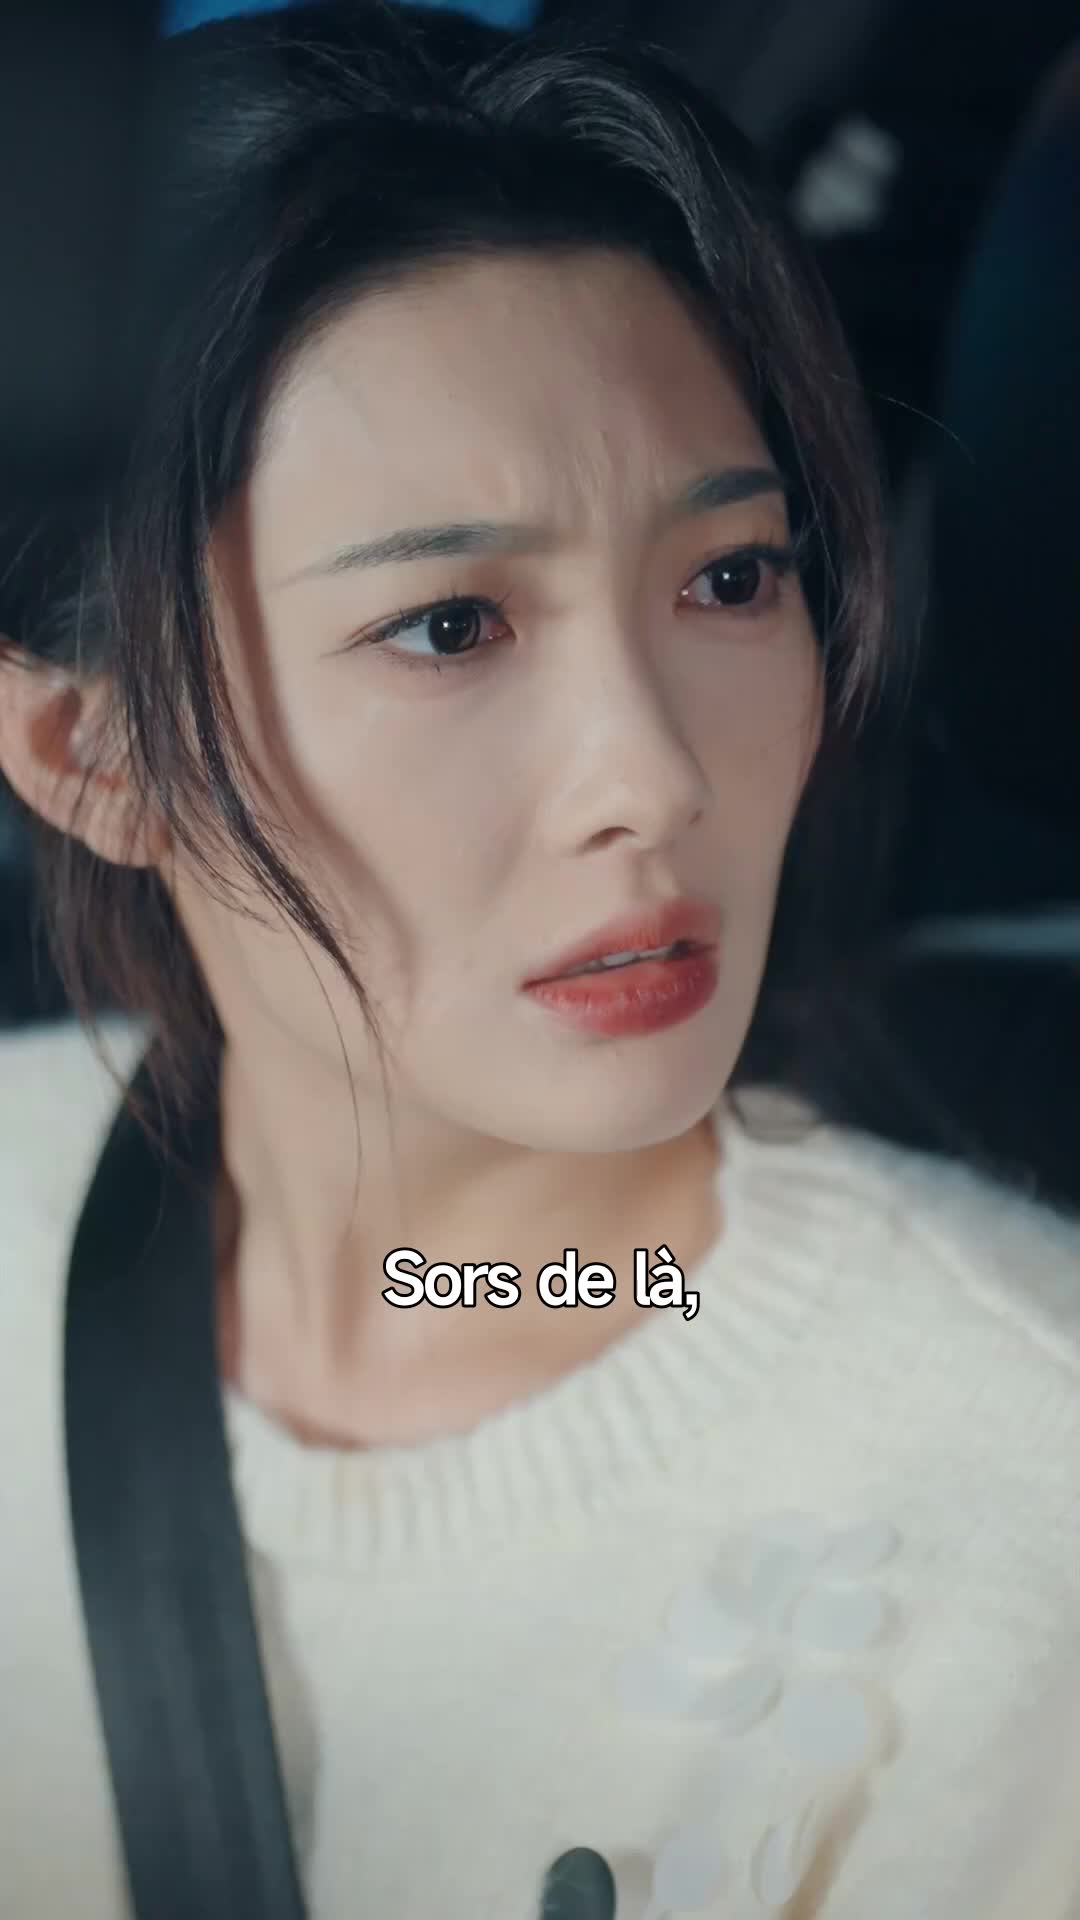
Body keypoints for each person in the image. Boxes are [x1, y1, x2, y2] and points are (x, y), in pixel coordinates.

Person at [0, 5, 1077, 1917]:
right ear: (94, 753)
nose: (653, 777)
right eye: (451, 625)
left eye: (730, 579)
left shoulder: (1026, 1491)